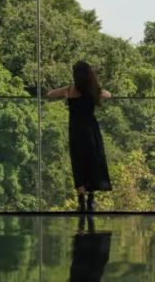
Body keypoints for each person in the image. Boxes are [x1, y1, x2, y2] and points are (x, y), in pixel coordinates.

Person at [47, 61, 113, 213]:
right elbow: (109, 95)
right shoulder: (93, 90)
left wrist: (63, 90)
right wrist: (96, 85)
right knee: (92, 162)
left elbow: (50, 94)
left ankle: (81, 201)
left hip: (76, 132)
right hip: (91, 131)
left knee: (78, 164)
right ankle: (91, 200)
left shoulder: (70, 90)